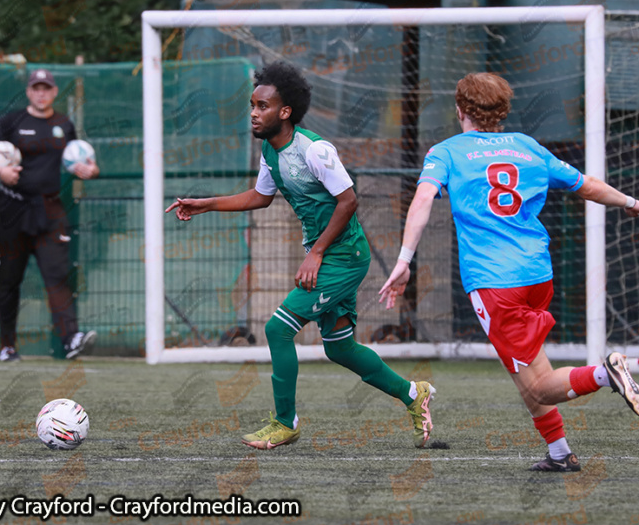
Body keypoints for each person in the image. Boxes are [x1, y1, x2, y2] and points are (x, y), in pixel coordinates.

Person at [379, 72, 639, 472]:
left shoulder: (446, 152)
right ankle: (560, 453)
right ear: (502, 112)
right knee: (525, 368)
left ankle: (605, 374)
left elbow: (424, 198)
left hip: (495, 282)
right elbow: (585, 185)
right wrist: (631, 202)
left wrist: (404, 260)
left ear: (460, 110)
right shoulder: (527, 147)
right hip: (537, 275)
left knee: (537, 386)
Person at [166, 60, 436, 450]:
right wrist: (206, 203)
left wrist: (317, 254)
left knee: (277, 329)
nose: (255, 113)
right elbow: (260, 196)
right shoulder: (270, 150)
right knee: (340, 347)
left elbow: (348, 201)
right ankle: (414, 394)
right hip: (329, 256)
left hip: (343, 257)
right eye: (253, 106)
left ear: (285, 112)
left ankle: (284, 422)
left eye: (263, 106)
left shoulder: (315, 149)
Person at [0, 68, 99, 362]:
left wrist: (90, 171)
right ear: (29, 91)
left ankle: (70, 339)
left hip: (50, 211)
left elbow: (84, 161)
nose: (41, 93)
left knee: (58, 276)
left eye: (46, 88)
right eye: (36, 88)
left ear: (54, 92)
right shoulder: (11, 121)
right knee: (9, 280)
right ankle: (7, 346)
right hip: (12, 210)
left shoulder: (64, 125)